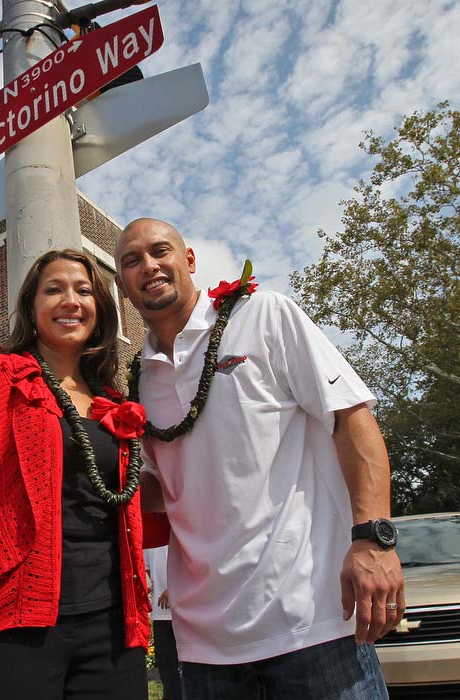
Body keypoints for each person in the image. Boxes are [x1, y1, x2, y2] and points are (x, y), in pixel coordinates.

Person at [114, 218, 404, 699]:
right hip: (206, 647)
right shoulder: (139, 380)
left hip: (313, 623)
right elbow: (162, 492)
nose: (148, 265)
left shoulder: (263, 314)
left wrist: (374, 539)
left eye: (159, 251)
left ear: (188, 261)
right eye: (131, 261)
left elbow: (351, 418)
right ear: (123, 284)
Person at [0, 249, 151, 700]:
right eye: (54, 290)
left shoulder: (111, 400)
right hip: (12, 623)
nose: (71, 300)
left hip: (110, 625)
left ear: (100, 309)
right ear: (30, 307)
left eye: (84, 291)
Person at [144, 545, 181, 700]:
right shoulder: (151, 528)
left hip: (184, 613)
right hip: (161, 615)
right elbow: (147, 567)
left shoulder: (180, 524)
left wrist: (176, 587)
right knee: (169, 674)